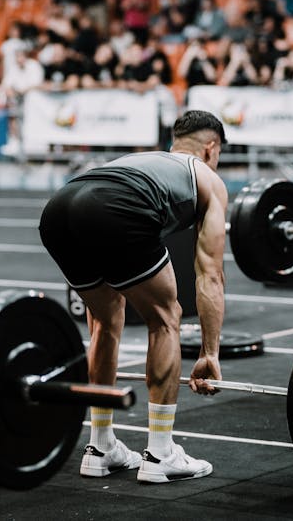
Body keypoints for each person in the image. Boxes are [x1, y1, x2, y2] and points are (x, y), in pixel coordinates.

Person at [39, 110, 229, 483]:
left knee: (105, 322)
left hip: (59, 208)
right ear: (211, 148)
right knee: (165, 318)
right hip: (115, 206)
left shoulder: (148, 160)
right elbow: (210, 275)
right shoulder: (208, 178)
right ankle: (160, 454)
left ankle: (100, 447)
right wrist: (209, 352)